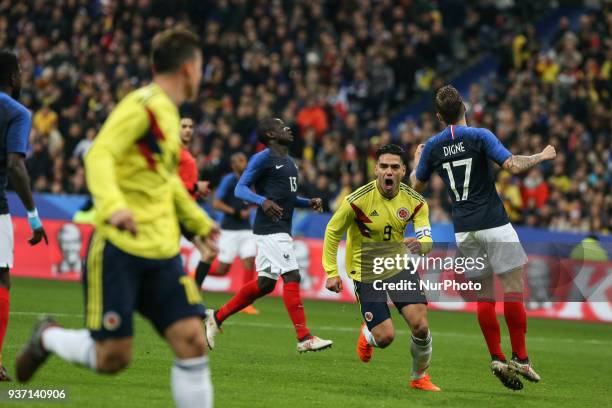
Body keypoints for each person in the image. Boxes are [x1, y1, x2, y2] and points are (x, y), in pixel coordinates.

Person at [15, 29, 219, 408]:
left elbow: (166, 182)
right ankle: (48, 336)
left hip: (161, 251)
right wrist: (114, 207)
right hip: (119, 248)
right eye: (202, 67)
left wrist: (196, 222)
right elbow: (99, 155)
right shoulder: (142, 105)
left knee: (192, 340)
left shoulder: (170, 117)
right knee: (113, 357)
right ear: (190, 70)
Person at [411, 85, 556, 390]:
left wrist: (417, 159)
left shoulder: (433, 146)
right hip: (494, 223)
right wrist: (542, 156)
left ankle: (496, 356)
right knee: (514, 288)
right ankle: (521, 357)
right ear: (464, 107)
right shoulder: (479, 136)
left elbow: (416, 187)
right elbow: (513, 166)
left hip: (464, 229)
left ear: (439, 116)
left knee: (484, 295)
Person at [204, 118, 333, 352]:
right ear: (271, 135)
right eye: (282, 127)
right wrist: (261, 201)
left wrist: (307, 202)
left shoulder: (289, 161)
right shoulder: (262, 158)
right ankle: (304, 337)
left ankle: (217, 316)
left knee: (265, 284)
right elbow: (240, 188)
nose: (289, 129)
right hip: (270, 229)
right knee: (292, 275)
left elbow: (287, 198)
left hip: (280, 228)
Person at [323, 144, 441, 392]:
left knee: (420, 325)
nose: (389, 172)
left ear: (403, 170)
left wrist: (423, 244)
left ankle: (419, 377)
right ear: (376, 169)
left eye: (394, 167)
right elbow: (333, 232)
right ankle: (368, 334)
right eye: (384, 166)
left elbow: (426, 237)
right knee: (385, 337)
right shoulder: (356, 200)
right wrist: (331, 271)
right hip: (365, 269)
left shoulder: (415, 202)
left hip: (397, 264)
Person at [0, 49, 48, 381]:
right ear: (14, 76)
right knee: (1, 279)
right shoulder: (16, 112)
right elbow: (16, 165)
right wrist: (33, 214)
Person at [208, 152, 259, 315]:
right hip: (229, 230)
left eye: (244, 160)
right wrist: (235, 212)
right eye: (239, 160)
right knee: (222, 269)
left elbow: (252, 200)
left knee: (250, 261)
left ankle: (245, 303)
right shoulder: (228, 180)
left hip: (246, 229)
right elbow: (216, 203)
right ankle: (195, 274)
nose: (243, 163)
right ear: (233, 165)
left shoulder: (250, 180)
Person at [177, 115, 216, 288]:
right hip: (177, 212)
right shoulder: (173, 152)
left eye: (191, 127)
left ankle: (192, 298)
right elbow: (169, 182)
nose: (188, 130)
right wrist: (194, 186)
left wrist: (197, 192)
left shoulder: (186, 153)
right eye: (184, 126)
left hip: (187, 210)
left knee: (210, 252)